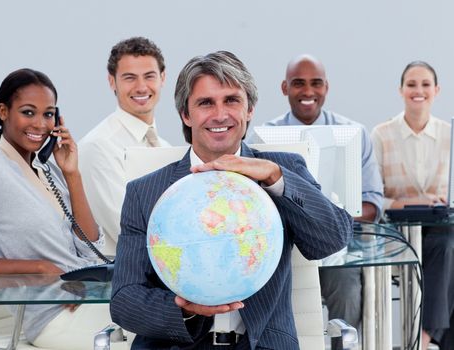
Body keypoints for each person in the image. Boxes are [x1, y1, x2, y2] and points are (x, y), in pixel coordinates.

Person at [110, 51, 353, 349]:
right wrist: (185, 309)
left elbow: (332, 239)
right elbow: (124, 300)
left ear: (249, 109)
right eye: (205, 103)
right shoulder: (145, 191)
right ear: (186, 115)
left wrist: (276, 180)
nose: (220, 114)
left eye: (232, 100)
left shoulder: (282, 169)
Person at [0, 68, 112, 350]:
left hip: (89, 300)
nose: (40, 124)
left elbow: (89, 247)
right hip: (53, 316)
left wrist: (72, 174)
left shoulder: (49, 170)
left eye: (48, 114)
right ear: (3, 111)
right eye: (28, 112)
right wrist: (42, 269)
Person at [252, 54, 383, 349]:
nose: (308, 92)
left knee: (347, 288)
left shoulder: (356, 133)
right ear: (285, 88)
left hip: (341, 250)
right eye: (299, 83)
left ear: (327, 87)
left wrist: (325, 219)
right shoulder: (264, 137)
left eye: (316, 83)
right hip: (286, 247)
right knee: (275, 290)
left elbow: (373, 204)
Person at [372, 61, 454, 350]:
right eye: (411, 84)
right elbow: (373, 198)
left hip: (441, 225)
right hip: (396, 232)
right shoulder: (381, 135)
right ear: (401, 90)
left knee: (447, 244)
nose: (418, 90)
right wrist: (415, 201)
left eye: (425, 84)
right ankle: (428, 339)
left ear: (436, 90)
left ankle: (426, 338)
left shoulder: (449, 134)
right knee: (447, 249)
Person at [79, 36, 170, 255]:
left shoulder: (165, 147)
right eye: (129, 78)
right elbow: (125, 230)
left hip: (164, 274)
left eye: (149, 76)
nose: (141, 87)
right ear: (112, 81)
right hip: (116, 282)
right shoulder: (98, 146)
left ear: (163, 78)